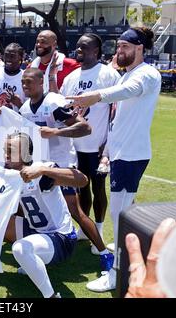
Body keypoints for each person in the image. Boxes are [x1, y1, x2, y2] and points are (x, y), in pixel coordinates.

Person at [66, 27, 162, 292]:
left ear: (140, 47)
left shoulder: (147, 74)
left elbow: (128, 91)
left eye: (125, 47)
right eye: (118, 46)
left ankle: (117, 273)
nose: (119, 51)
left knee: (120, 217)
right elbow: (118, 118)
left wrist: (96, 95)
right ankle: (128, 257)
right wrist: (107, 151)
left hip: (131, 155)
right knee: (124, 212)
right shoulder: (129, 72)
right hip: (122, 153)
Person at [14, 67, 114, 275]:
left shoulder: (53, 103)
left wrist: (56, 131)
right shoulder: (24, 108)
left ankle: (104, 253)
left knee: (74, 211)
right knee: (31, 211)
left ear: (41, 83)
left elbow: (85, 127)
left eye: (29, 82)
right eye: (23, 82)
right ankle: (36, 253)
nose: (25, 85)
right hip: (38, 168)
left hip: (59, 165)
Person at [0, 132, 88, 298]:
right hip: (37, 231)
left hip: (61, 238)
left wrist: (43, 170)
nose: (5, 155)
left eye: (10, 150)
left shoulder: (42, 171)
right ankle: (32, 261)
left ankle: (51, 295)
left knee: (20, 249)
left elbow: (82, 180)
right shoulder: (12, 173)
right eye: (5, 150)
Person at [60, 34, 121, 255]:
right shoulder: (71, 77)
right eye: (77, 47)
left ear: (96, 51)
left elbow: (115, 112)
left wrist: (107, 146)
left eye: (84, 47)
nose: (78, 50)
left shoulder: (108, 74)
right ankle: (85, 229)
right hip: (75, 146)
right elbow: (65, 108)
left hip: (98, 145)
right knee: (81, 187)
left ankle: (100, 230)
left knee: (98, 188)